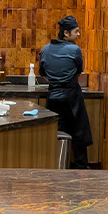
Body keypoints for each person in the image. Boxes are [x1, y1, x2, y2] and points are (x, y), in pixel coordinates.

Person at [39, 15, 92, 169]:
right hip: (72, 98)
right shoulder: (75, 50)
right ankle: (81, 167)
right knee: (79, 131)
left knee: (57, 132)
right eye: (76, 31)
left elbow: (42, 73)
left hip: (53, 98)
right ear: (66, 33)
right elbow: (79, 71)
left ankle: (57, 166)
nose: (79, 34)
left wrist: (55, 82)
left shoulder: (45, 49)